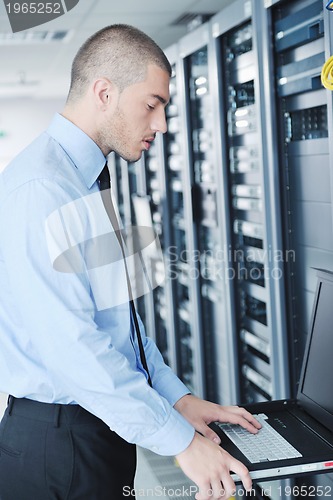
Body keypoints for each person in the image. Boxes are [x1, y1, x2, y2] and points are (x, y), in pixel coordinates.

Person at [0, 24, 261, 500]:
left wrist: (178, 400)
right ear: (104, 92)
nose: (161, 124)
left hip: (92, 433)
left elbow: (120, 322)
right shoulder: (44, 189)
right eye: (152, 104)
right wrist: (182, 443)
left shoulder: (86, 179)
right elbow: (73, 350)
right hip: (57, 448)